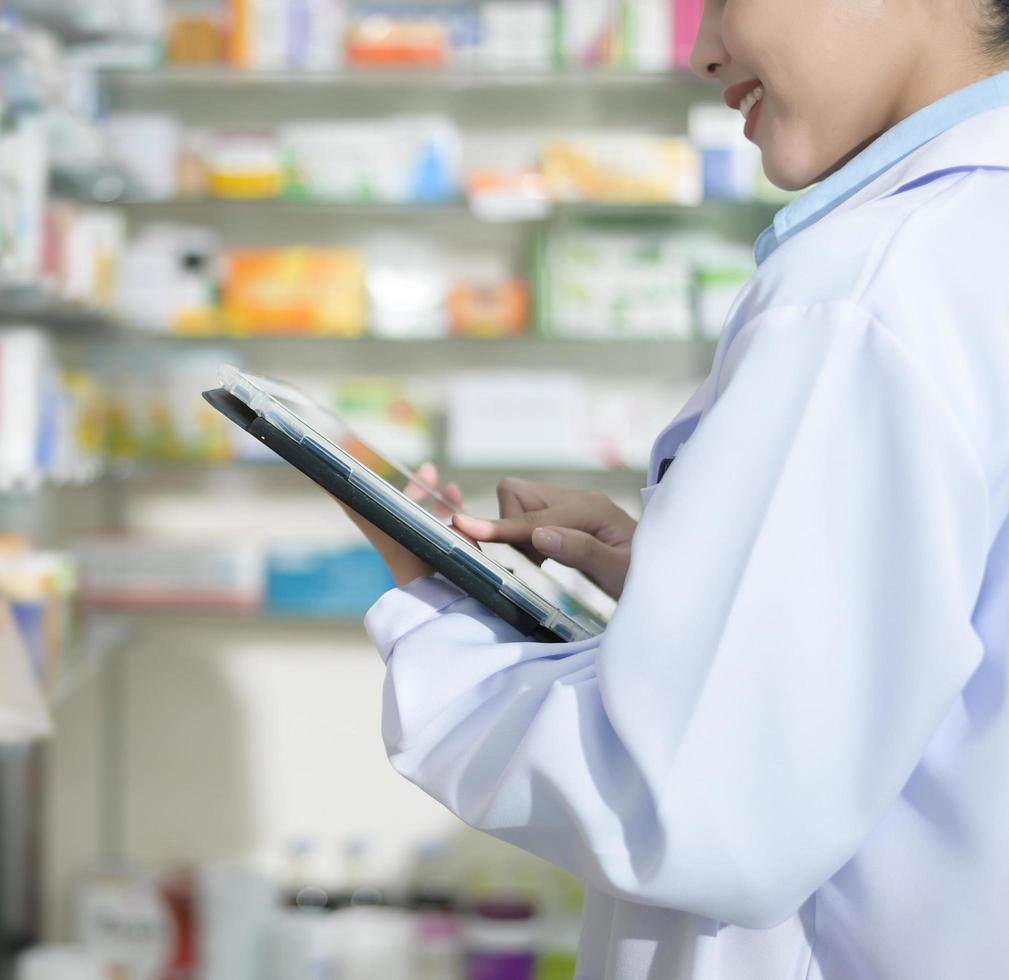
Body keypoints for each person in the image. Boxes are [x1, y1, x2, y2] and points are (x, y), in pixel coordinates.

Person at [348, 1, 1009, 977]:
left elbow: (698, 810)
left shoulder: (866, 288)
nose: (700, 52)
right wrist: (683, 593)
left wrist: (444, 617)